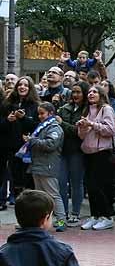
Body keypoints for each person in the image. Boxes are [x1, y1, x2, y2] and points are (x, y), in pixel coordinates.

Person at [22, 103, 67, 232]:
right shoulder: (42, 127)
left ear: (51, 113)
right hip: (37, 165)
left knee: (53, 195)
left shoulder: (54, 128)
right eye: (39, 113)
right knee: (40, 196)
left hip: (48, 166)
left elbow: (50, 144)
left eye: (42, 113)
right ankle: (40, 221)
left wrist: (32, 141)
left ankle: (61, 220)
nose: (40, 116)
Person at [77, 86, 115, 231]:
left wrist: (92, 124)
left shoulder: (106, 109)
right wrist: (82, 127)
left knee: (100, 186)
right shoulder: (86, 110)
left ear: (101, 94)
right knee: (90, 186)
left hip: (102, 152)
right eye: (89, 92)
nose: (91, 94)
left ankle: (106, 216)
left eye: (94, 92)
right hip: (88, 152)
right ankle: (95, 215)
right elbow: (81, 136)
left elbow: (110, 130)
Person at [1, 77, 40, 208]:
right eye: (20, 85)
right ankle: (18, 203)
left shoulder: (35, 105)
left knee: (27, 178)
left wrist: (24, 118)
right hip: (10, 147)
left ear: (30, 89)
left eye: (26, 85)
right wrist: (8, 120)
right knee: (14, 177)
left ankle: (29, 206)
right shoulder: (7, 104)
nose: (22, 87)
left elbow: (37, 125)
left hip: (28, 148)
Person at [56, 83, 89, 227]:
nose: (75, 95)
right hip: (62, 151)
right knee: (61, 183)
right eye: (73, 92)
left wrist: (62, 123)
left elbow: (77, 131)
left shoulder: (87, 111)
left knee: (76, 183)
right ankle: (63, 214)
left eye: (78, 92)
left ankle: (75, 213)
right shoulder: (64, 109)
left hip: (77, 151)